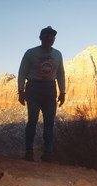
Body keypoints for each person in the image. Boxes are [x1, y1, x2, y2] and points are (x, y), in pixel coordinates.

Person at [17, 26, 65, 161]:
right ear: (40, 37)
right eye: (46, 35)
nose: (49, 38)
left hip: (50, 89)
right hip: (33, 88)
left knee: (49, 122)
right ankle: (29, 151)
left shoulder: (58, 54)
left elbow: (61, 73)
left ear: (54, 39)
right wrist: (21, 91)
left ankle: (48, 153)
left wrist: (63, 91)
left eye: (52, 36)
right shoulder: (30, 53)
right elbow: (22, 72)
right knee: (32, 121)